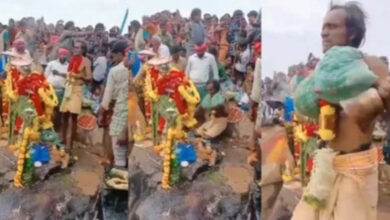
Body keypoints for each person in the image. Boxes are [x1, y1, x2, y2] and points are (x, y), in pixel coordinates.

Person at [292, 2, 390, 220]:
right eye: (323, 27)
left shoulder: (370, 64)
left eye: (332, 26)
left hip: (356, 167)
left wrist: (379, 95)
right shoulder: (322, 69)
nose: (324, 33)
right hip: (326, 162)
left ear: (352, 32)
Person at [98, 40, 129, 169]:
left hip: (118, 108)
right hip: (133, 109)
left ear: (119, 54)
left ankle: (116, 172)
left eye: (114, 55)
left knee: (117, 144)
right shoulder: (134, 67)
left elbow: (107, 97)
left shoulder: (114, 70)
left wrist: (101, 112)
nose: (113, 58)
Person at [60, 40, 92, 155]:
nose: (75, 49)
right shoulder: (72, 59)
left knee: (73, 118)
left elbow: (89, 77)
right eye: (74, 47)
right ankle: (62, 141)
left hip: (77, 89)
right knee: (64, 115)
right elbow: (69, 73)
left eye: (78, 48)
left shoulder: (86, 61)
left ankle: (69, 144)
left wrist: (78, 75)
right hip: (68, 87)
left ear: (83, 49)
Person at [44, 48, 69, 131]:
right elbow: (46, 75)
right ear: (59, 55)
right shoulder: (52, 64)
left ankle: (56, 128)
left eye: (65, 54)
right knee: (49, 110)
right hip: (51, 90)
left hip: (61, 91)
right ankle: (47, 127)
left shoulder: (68, 66)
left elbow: (68, 77)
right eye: (62, 54)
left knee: (58, 111)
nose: (63, 56)